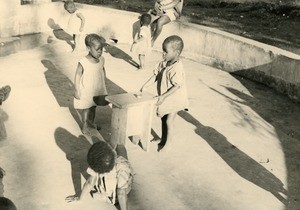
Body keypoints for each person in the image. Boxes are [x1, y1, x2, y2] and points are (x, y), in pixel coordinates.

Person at [140, 35, 188, 152]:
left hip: (175, 98)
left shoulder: (177, 68)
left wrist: (163, 96)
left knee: (169, 121)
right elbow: (155, 76)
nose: (163, 54)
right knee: (163, 119)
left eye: (166, 52)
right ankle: (163, 139)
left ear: (177, 53)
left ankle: (168, 145)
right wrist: (145, 86)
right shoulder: (163, 64)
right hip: (166, 98)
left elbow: (176, 86)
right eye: (163, 51)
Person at [66, 142, 133, 210]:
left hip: (108, 191)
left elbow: (90, 183)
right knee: (121, 148)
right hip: (116, 191)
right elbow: (121, 193)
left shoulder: (98, 164)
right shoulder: (122, 167)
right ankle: (119, 147)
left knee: (120, 150)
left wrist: (79, 198)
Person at [73, 34, 108, 135]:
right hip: (86, 88)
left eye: (102, 49)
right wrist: (76, 89)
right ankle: (84, 125)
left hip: (97, 88)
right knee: (86, 107)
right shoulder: (83, 62)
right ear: (88, 48)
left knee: (93, 106)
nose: (100, 51)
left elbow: (102, 69)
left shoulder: (102, 59)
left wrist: (103, 82)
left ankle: (91, 122)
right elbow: (78, 75)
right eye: (97, 49)